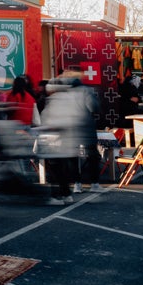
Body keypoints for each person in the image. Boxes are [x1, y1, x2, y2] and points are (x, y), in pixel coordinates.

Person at [39, 71, 99, 203]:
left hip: (60, 140)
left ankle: (62, 194)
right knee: (64, 168)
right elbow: (91, 109)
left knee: (59, 168)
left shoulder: (57, 100)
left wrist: (49, 127)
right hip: (73, 137)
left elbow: (50, 119)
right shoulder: (74, 95)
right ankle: (68, 193)